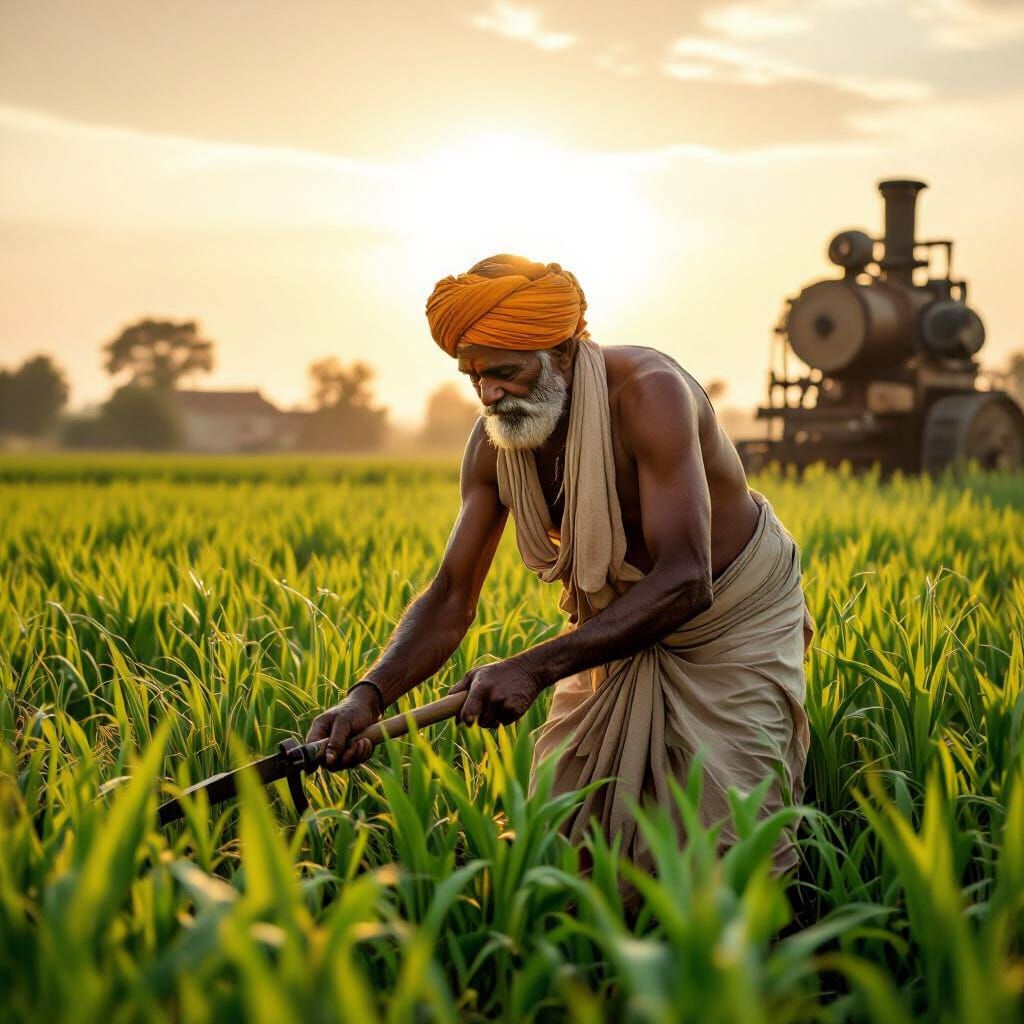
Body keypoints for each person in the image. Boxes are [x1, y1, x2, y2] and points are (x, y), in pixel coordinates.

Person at [307, 254, 813, 873]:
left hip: (730, 616)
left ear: (566, 351)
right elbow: (450, 596)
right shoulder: (494, 443)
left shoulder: (650, 394)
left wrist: (532, 668)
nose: (490, 394)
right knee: (572, 830)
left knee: (732, 838)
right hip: (621, 622)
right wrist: (369, 695)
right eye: (474, 377)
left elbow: (686, 579)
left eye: (507, 372)